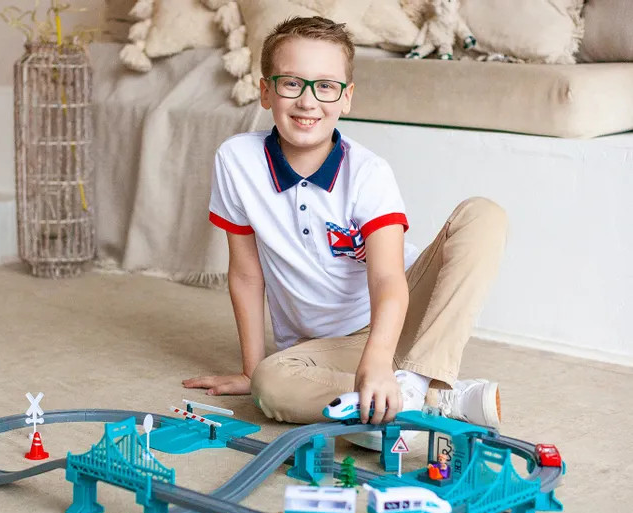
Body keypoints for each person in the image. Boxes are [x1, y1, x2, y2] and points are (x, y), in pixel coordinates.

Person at [183, 16, 506, 450]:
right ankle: (426, 396)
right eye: (291, 83)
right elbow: (245, 273)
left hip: (400, 317)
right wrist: (250, 368)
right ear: (266, 91)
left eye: (326, 86)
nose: (308, 101)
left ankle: (411, 381)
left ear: (346, 97)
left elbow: (388, 278)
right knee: (270, 384)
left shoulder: (369, 172)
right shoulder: (236, 160)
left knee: (483, 215)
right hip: (324, 348)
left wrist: (378, 359)